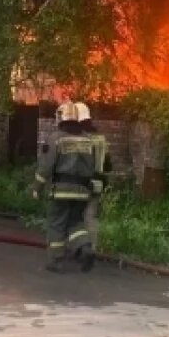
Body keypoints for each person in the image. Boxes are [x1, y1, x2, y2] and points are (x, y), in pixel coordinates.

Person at [33, 101, 96, 273]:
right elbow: (93, 167)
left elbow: (46, 167)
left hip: (61, 190)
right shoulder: (88, 141)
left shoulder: (56, 139)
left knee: (56, 224)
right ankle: (85, 247)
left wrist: (36, 187)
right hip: (83, 191)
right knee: (75, 222)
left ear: (61, 117)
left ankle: (55, 261)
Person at [75, 102, 110, 252]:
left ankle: (79, 248)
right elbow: (108, 164)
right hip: (98, 182)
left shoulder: (78, 138)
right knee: (91, 216)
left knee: (76, 217)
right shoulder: (100, 138)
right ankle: (92, 248)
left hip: (80, 183)